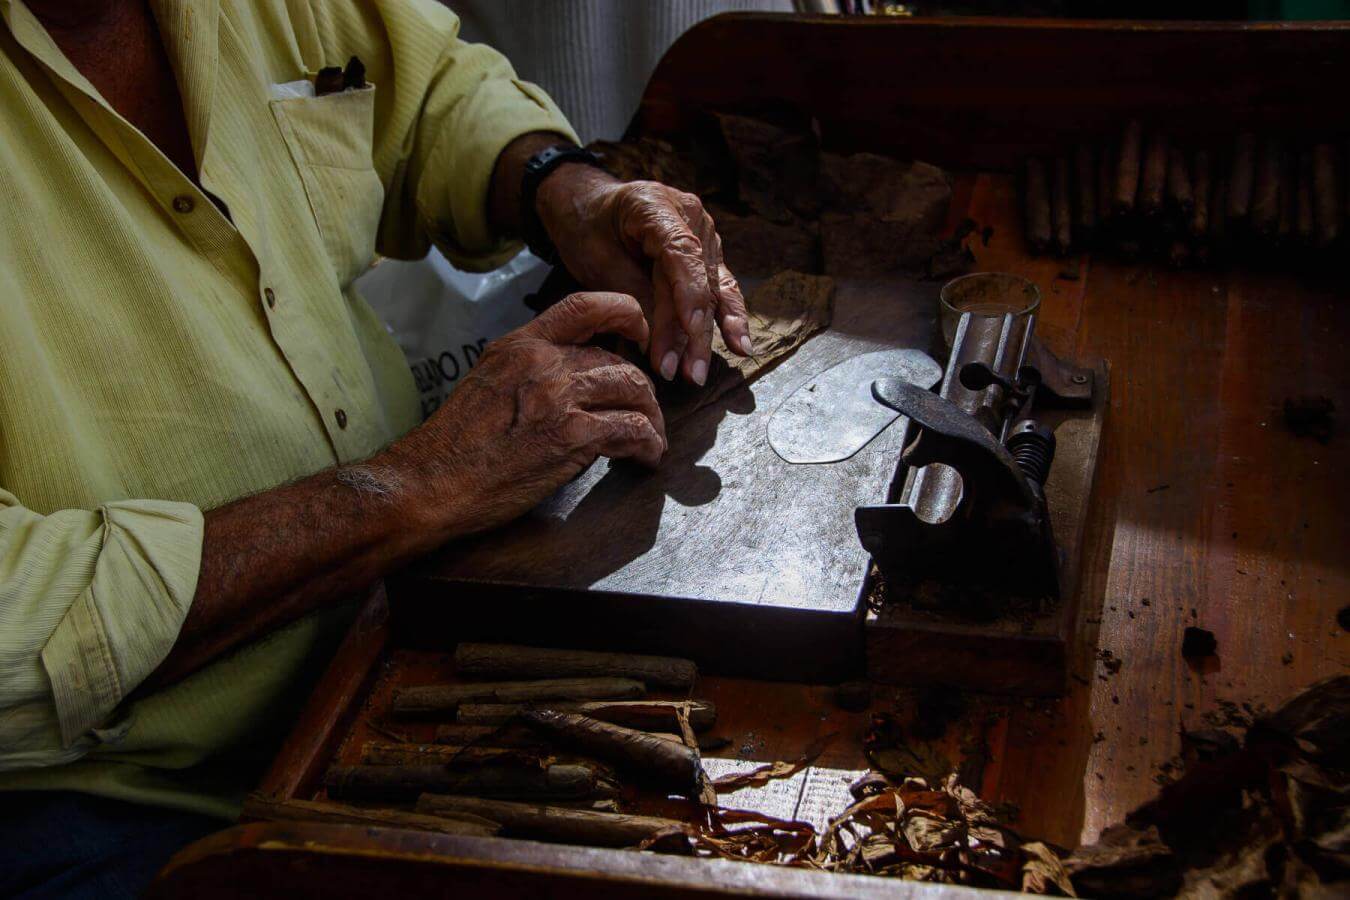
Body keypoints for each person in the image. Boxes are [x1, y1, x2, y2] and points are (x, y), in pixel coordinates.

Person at [0, 0, 750, 895]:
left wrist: (564, 189)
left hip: (383, 639)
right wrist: (416, 491)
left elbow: (424, 90)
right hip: (114, 803)